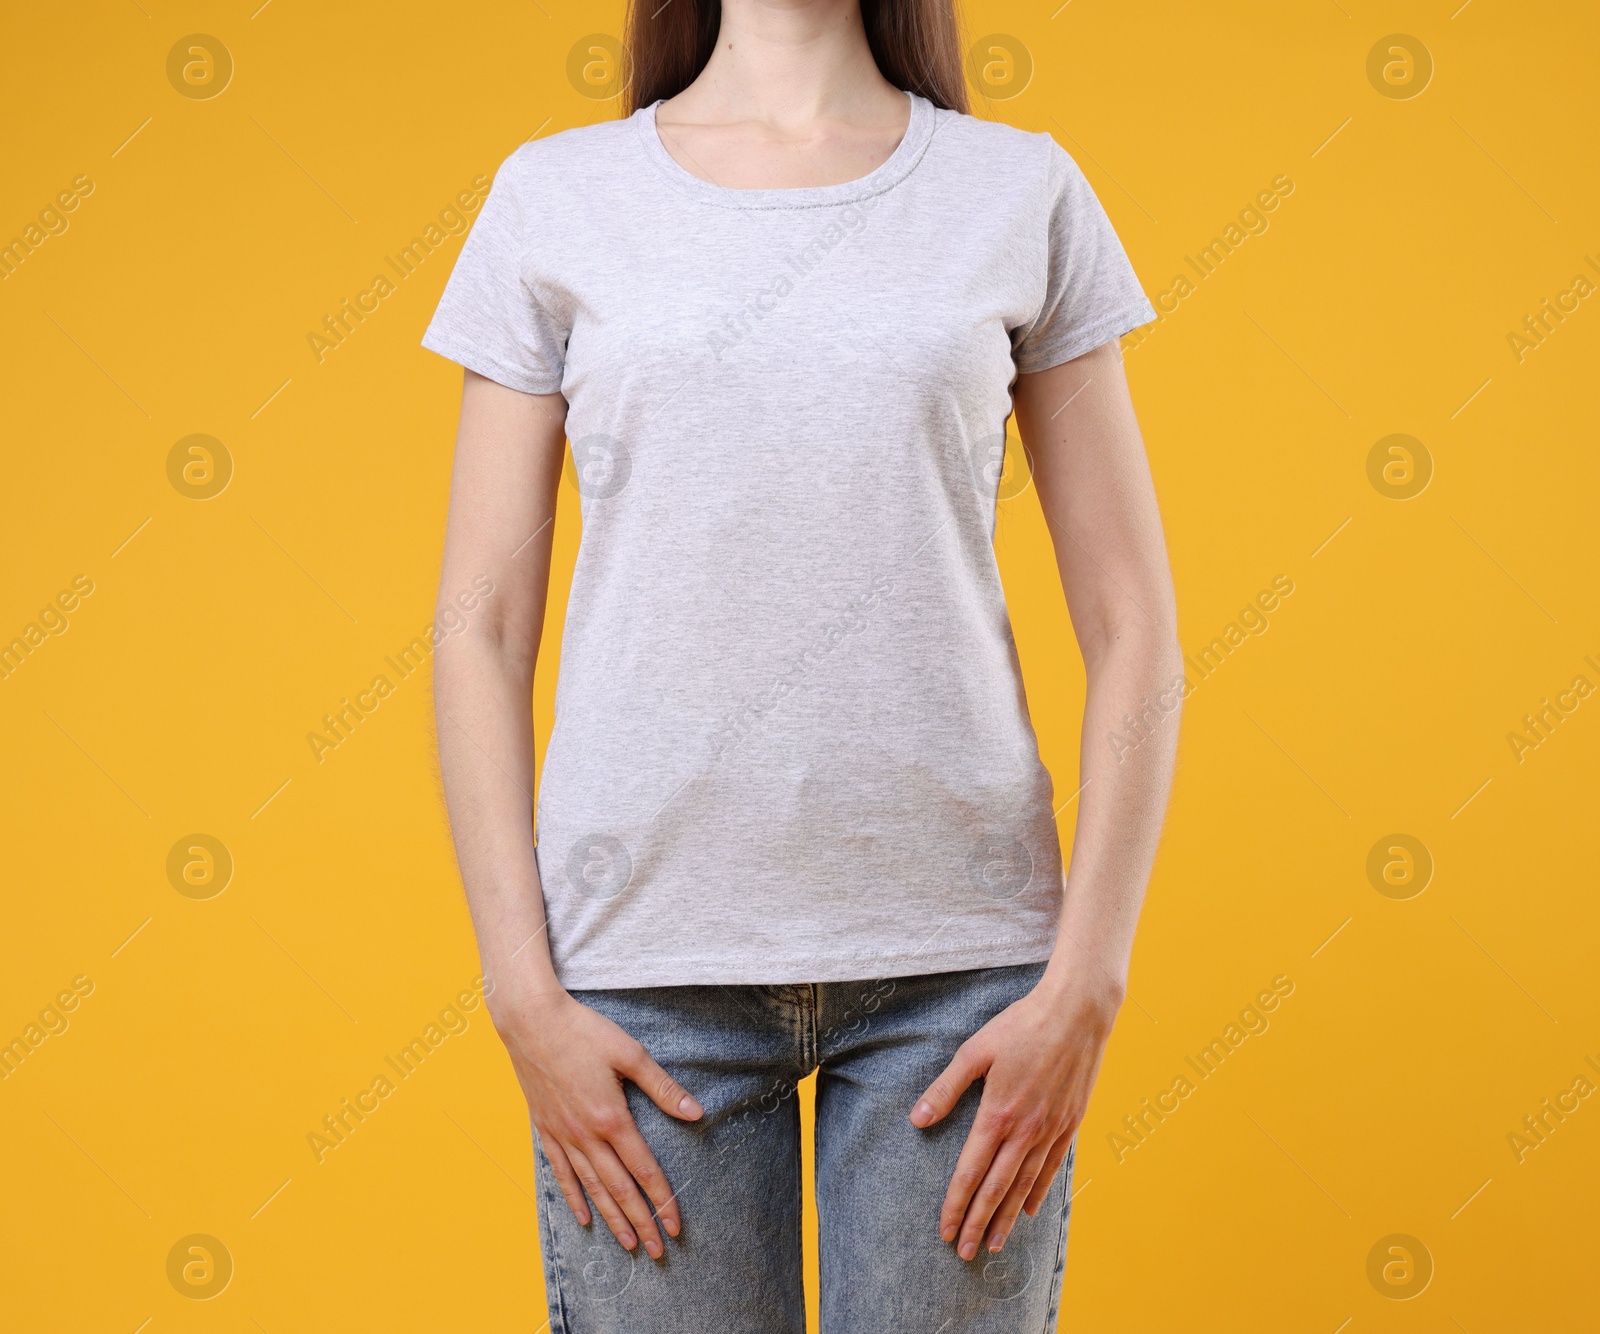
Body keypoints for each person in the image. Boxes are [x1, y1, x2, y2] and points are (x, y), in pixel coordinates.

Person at [422, 0, 1180, 1328]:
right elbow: (478, 630)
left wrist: (1088, 985)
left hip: (965, 974)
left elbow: (1134, 625)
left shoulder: (1018, 188)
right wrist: (520, 995)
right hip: (642, 975)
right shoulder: (555, 196)